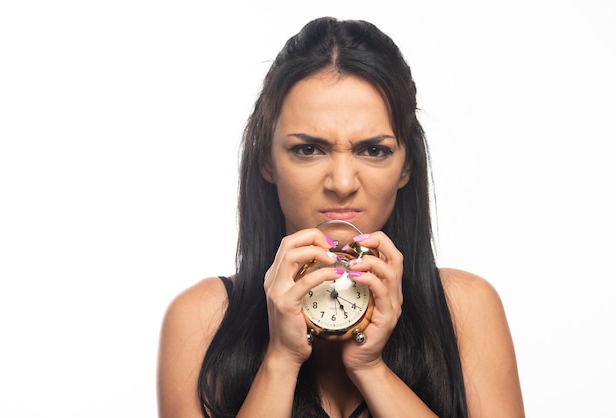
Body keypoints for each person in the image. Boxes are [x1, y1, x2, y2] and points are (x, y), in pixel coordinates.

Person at [157, 16, 525, 418]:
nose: (343, 182)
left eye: (374, 150)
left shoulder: (465, 308)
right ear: (267, 159)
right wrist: (281, 359)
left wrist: (371, 369)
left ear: (406, 167)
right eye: (308, 149)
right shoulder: (201, 318)